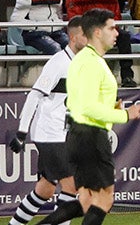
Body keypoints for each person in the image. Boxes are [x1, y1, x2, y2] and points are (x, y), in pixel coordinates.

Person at [56, 9, 140, 225]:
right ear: (97, 32)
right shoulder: (92, 63)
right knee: (104, 199)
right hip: (91, 135)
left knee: (87, 201)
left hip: (80, 134)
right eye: (111, 27)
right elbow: (87, 107)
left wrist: (109, 105)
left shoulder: (85, 58)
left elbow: (77, 101)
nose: (116, 32)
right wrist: (124, 114)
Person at [7, 16, 84, 225]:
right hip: (49, 132)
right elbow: (35, 95)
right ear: (74, 37)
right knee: (71, 187)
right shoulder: (58, 62)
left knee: (46, 187)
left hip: (62, 132)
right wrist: (21, 133)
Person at [63, 0, 137, 90]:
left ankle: (127, 77)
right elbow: (75, 19)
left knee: (124, 36)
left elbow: (116, 16)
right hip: (87, 32)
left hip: (105, 30)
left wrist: (108, 29)